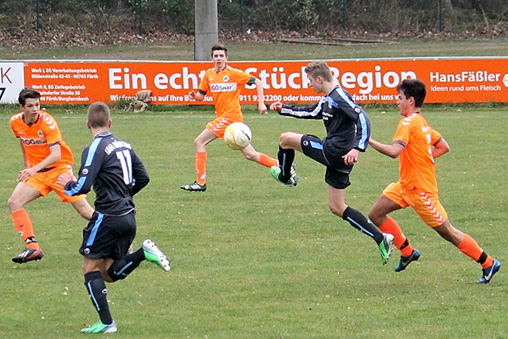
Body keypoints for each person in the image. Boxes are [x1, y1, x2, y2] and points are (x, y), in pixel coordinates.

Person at [368, 78, 500, 283]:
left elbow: (394, 152)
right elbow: (443, 146)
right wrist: (422, 157)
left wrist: (368, 140)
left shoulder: (408, 123)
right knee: (376, 214)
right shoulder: (422, 123)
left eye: (400, 97)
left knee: (447, 231)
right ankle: (407, 252)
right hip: (405, 185)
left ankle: (488, 262)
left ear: (410, 100)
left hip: (421, 190)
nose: (397, 101)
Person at [57, 102, 171, 333]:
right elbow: (144, 177)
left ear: (88, 124)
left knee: (90, 269)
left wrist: (67, 184)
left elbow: (83, 186)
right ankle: (142, 253)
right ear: (109, 122)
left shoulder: (95, 148)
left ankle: (108, 323)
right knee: (107, 273)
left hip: (108, 216)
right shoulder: (124, 145)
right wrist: (124, 196)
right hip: (128, 215)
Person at [269, 61, 394, 265]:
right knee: (337, 206)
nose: (309, 85)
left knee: (285, 139)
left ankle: (285, 176)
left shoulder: (339, 96)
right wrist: (284, 109)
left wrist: (357, 148)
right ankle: (381, 238)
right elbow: (309, 112)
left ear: (320, 79)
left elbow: (363, 119)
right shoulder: (328, 100)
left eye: (310, 80)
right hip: (341, 161)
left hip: (334, 152)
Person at [180, 43, 293, 192]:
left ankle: (200, 182)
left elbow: (257, 82)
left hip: (230, 118)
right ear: (211, 58)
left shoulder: (234, 74)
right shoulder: (208, 75)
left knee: (199, 141)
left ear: (226, 58)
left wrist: (260, 103)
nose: (218, 58)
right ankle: (284, 166)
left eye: (221, 56)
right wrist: (195, 96)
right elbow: (202, 96)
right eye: (216, 56)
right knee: (250, 154)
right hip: (225, 118)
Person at [8, 87, 94, 264]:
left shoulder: (48, 123)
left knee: (85, 211)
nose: (35, 109)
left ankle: (123, 241)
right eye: (30, 105)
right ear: (21, 107)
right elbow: (24, 143)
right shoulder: (15, 122)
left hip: (60, 170)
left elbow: (56, 154)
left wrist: (32, 169)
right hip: (38, 173)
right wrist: (28, 166)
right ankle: (33, 248)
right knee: (14, 202)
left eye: (37, 105)